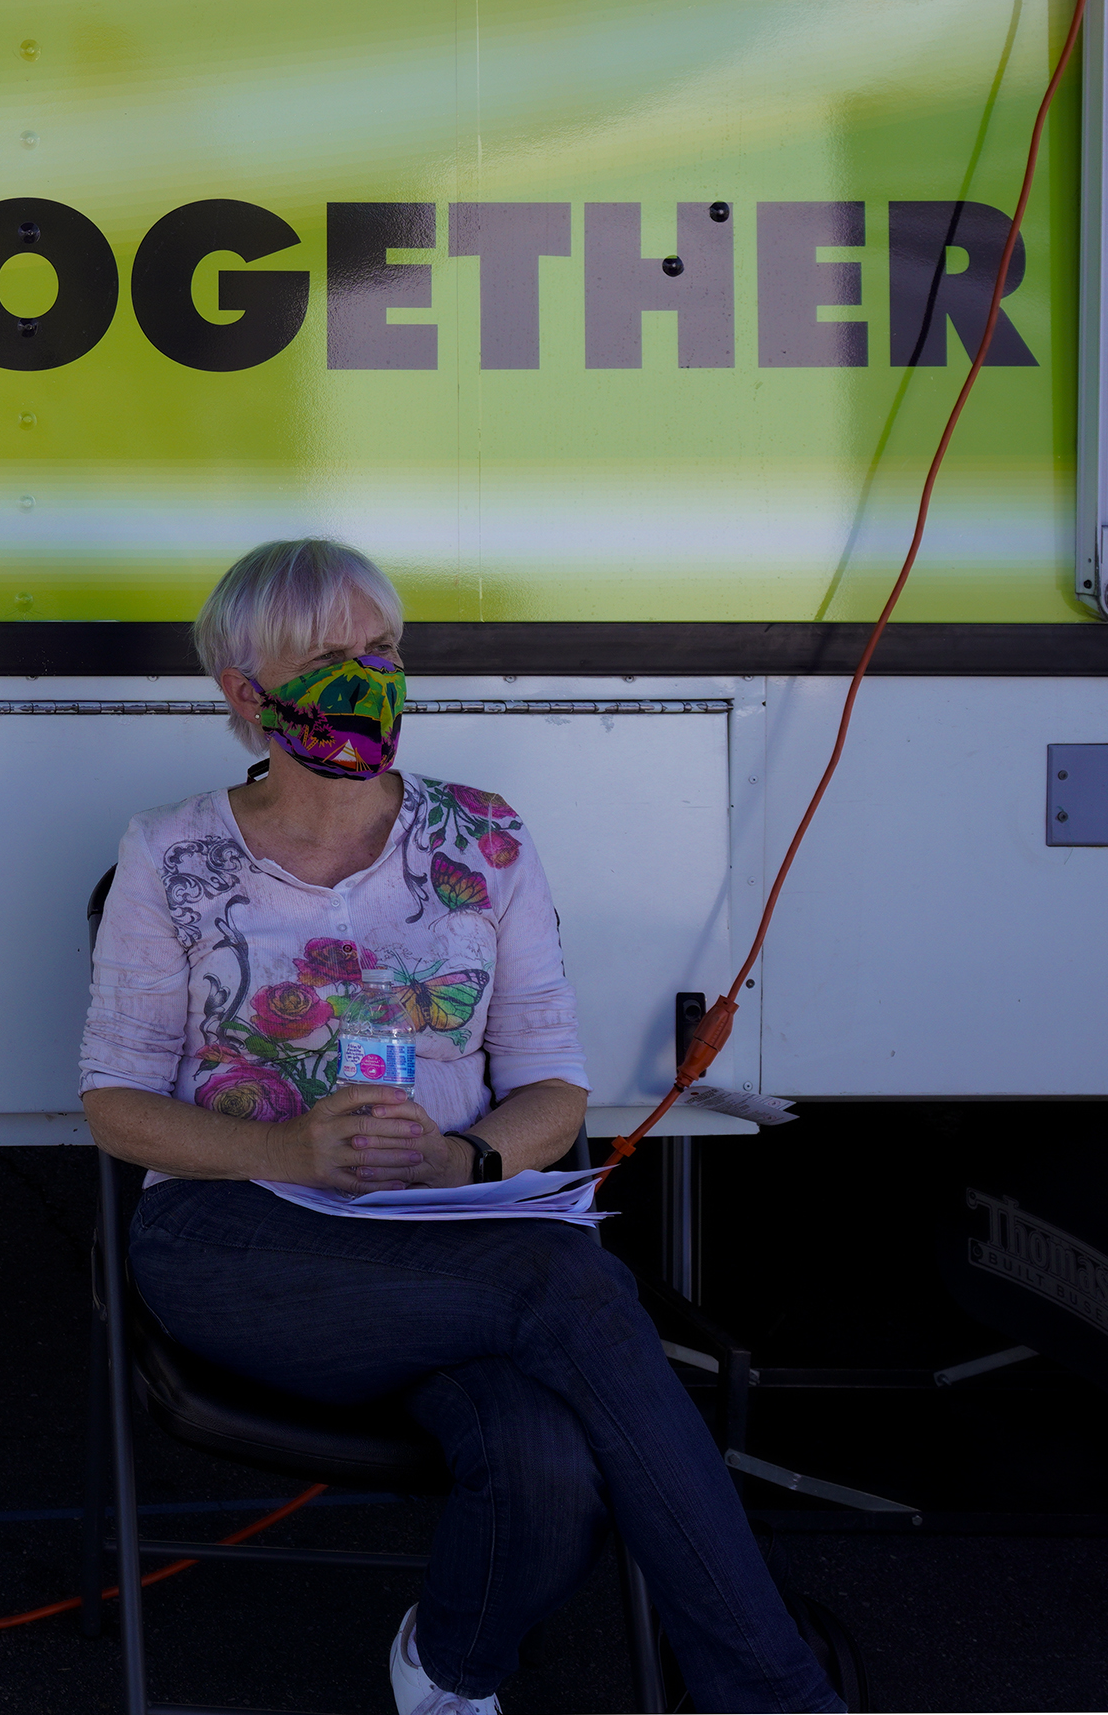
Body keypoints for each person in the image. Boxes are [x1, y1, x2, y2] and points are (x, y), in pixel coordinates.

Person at [79, 538, 839, 1715]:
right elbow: (115, 1105)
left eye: (383, 648)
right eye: (330, 657)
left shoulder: (482, 840)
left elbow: (554, 1088)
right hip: (242, 1245)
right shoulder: (170, 853)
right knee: (569, 1289)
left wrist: (463, 1157)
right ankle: (774, 1696)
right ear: (245, 693)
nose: (369, 676)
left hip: (450, 1238)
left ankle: (445, 1674)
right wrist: (289, 1150)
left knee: (540, 1452)